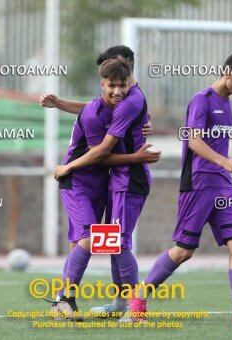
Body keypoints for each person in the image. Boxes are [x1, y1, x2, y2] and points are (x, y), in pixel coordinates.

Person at [128, 52, 232, 327]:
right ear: (229, 74)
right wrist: (224, 161)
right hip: (198, 184)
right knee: (184, 250)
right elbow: (193, 141)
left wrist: (224, 166)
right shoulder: (201, 100)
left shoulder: (228, 104)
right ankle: (139, 296)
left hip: (223, 184)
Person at [49, 55, 160, 321]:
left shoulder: (126, 103)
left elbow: (134, 113)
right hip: (79, 182)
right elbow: (100, 153)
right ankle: (66, 300)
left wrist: (146, 122)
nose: (117, 91)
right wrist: (70, 166)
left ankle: (66, 302)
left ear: (129, 80)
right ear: (102, 83)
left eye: (122, 85)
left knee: (101, 243)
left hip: (109, 183)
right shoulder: (95, 113)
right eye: (111, 85)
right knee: (92, 241)